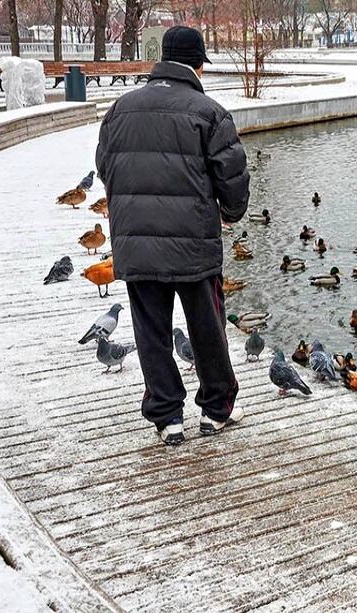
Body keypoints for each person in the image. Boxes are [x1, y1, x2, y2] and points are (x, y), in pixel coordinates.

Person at [95, 26, 250, 447]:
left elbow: (106, 169)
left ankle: (167, 417)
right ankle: (217, 410)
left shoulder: (119, 111)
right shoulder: (209, 112)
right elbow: (232, 180)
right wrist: (232, 213)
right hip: (193, 244)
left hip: (136, 243)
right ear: (198, 64)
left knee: (151, 331)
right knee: (207, 327)